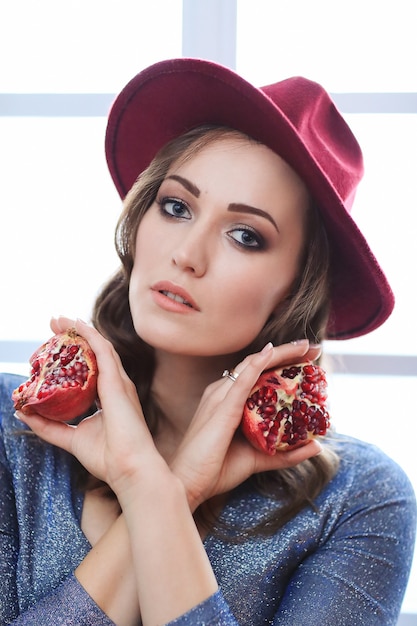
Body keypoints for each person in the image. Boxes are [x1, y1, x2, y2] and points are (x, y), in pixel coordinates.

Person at [1, 57, 415, 626]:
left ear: (295, 288)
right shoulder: (11, 427)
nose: (186, 255)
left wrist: (149, 490)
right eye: (176, 207)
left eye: (246, 236)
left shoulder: (360, 498)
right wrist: (172, 487)